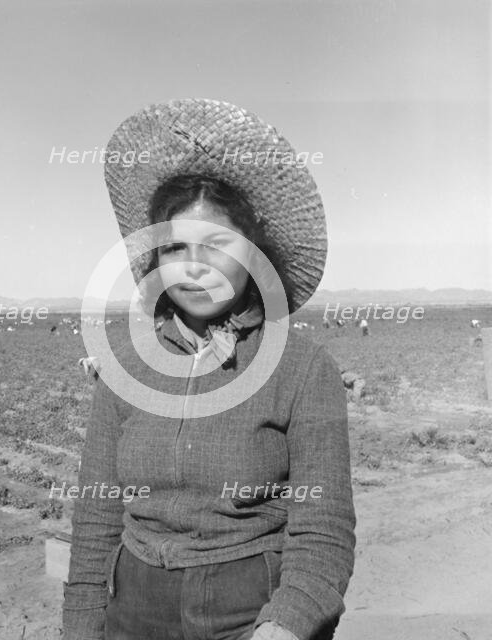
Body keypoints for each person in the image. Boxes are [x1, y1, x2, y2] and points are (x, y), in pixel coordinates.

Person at [63, 99, 356, 640]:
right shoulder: (125, 367)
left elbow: (324, 530)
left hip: (251, 608)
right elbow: (95, 523)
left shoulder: (301, 368)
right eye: (174, 247)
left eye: (218, 245)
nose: (194, 267)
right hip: (134, 610)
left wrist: (285, 626)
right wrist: (82, 627)